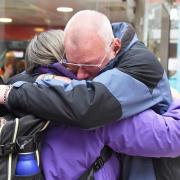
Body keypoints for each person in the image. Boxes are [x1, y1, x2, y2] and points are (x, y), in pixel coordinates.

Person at [0, 10, 173, 179]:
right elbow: (172, 136)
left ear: (115, 47)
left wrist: (11, 91)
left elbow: (88, 103)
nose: (81, 75)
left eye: (89, 66)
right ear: (64, 55)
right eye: (73, 65)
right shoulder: (102, 118)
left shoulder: (22, 95)